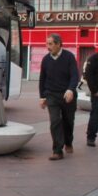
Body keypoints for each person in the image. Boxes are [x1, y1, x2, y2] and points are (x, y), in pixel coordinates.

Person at [39, 33, 79, 161]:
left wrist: (70, 90)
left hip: (67, 94)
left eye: (50, 44)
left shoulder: (69, 57)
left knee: (68, 121)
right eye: (47, 44)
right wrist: (42, 96)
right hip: (52, 95)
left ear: (58, 44)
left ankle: (68, 141)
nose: (47, 47)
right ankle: (57, 150)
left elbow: (74, 76)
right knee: (55, 121)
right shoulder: (45, 59)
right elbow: (42, 79)